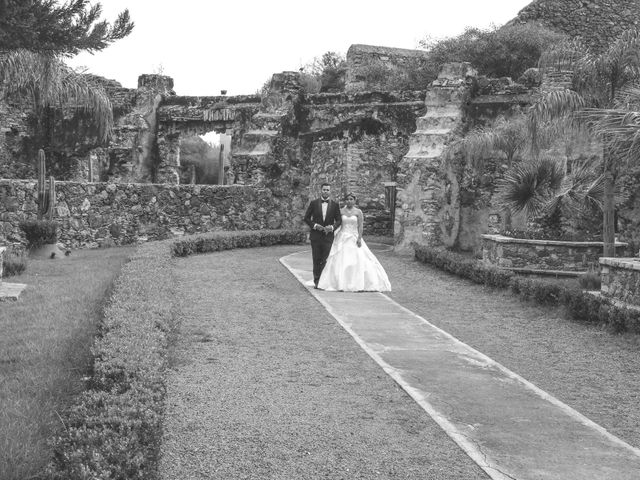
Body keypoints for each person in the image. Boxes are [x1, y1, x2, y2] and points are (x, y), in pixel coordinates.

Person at [317, 193, 391, 292]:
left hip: (354, 237)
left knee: (358, 259)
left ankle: (358, 283)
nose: (349, 201)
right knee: (340, 259)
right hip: (342, 237)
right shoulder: (341, 211)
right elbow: (338, 223)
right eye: (347, 199)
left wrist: (359, 238)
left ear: (354, 201)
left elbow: (360, 226)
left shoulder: (358, 212)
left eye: (351, 199)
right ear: (345, 201)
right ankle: (340, 282)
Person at [303, 183, 342, 288]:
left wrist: (332, 227)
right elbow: (306, 218)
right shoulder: (314, 203)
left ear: (330, 191)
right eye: (324, 189)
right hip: (315, 236)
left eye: (327, 190)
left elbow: (339, 220)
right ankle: (317, 281)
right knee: (316, 259)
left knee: (325, 260)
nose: (325, 191)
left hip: (328, 237)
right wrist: (315, 225)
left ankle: (323, 281)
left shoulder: (334, 205)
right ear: (321, 190)